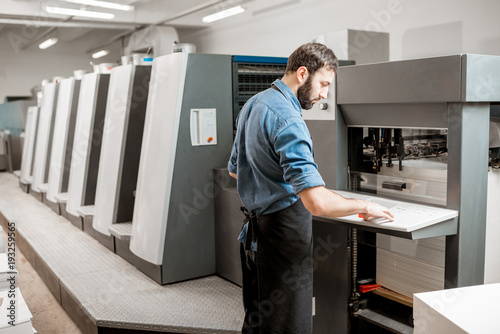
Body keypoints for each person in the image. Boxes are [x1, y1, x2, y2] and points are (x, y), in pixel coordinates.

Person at [228, 43, 394, 334]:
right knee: (288, 325)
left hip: (254, 237)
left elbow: (234, 170)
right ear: (303, 73)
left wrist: (268, 181)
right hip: (283, 237)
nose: (324, 95)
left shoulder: (254, 104)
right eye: (323, 84)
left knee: (258, 319)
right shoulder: (289, 119)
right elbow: (317, 203)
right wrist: (365, 207)